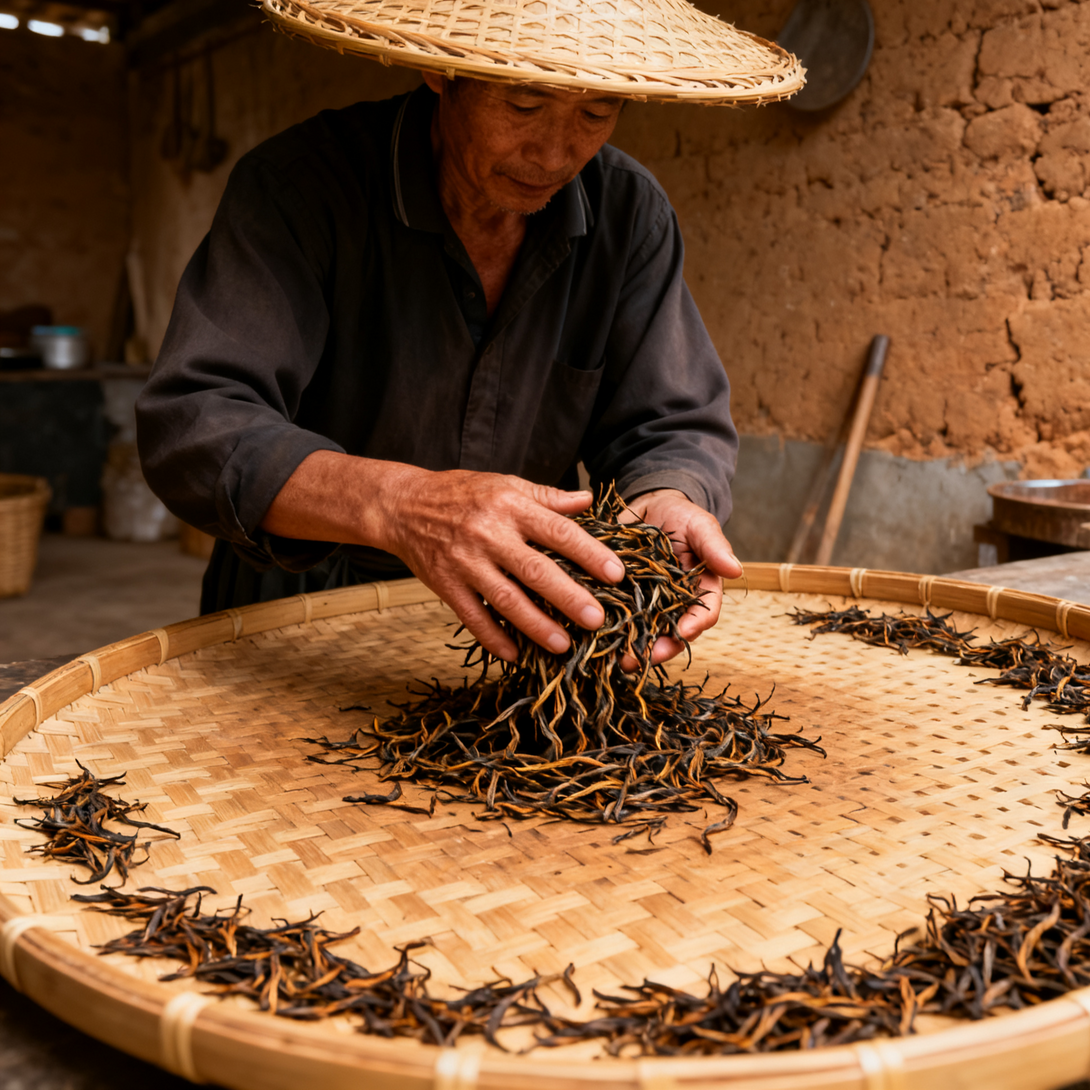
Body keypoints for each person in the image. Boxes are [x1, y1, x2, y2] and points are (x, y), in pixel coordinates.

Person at [136, 0, 803, 666]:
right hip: (291, 622)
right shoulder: (302, 189)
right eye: (523, 104)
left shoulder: (627, 216)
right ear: (442, 73)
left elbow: (670, 421)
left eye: (596, 113)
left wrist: (669, 498)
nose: (553, 153)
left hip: (516, 626)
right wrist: (403, 505)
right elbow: (197, 423)